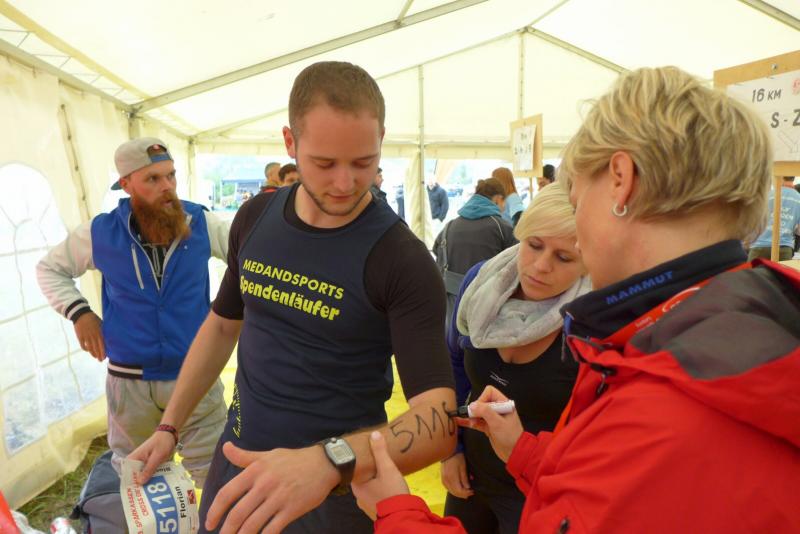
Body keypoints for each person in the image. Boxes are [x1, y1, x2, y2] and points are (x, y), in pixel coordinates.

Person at [352, 66, 800, 532]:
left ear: (621, 180)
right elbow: (617, 488)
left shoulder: (670, 395)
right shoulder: (729, 334)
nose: (575, 236)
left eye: (576, 198)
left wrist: (397, 512)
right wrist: (525, 452)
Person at [129, 61, 456, 534]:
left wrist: (329, 462)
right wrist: (169, 426)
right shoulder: (256, 217)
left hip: (335, 490)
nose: (345, 183)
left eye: (363, 163)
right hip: (238, 462)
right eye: (324, 163)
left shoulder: (401, 259)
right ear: (290, 142)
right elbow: (222, 325)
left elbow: (439, 419)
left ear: (381, 140)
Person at [36, 137, 230, 487]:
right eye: (153, 179)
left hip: (194, 372)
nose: (167, 186)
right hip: (129, 381)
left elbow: (250, 261)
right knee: (137, 475)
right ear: (126, 185)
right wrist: (80, 313)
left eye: (170, 175)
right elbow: (49, 269)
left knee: (215, 472)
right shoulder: (100, 232)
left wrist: (235, 308)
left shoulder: (201, 221)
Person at [441, 182, 590, 533]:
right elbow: (453, 364)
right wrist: (451, 449)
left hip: (540, 488)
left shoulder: (591, 320)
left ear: (588, 261)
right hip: (472, 477)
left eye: (564, 257)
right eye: (534, 245)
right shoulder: (482, 283)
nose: (541, 266)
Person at [432, 178, 516, 333]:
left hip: (453, 309)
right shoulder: (502, 227)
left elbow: (437, 251)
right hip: (489, 311)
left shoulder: (449, 226)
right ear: (498, 199)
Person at [747, 176, 800, 261]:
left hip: (760, 245)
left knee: (752, 270)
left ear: (780, 176)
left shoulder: (767, 195)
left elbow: (753, 221)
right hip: (784, 247)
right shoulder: (798, 199)